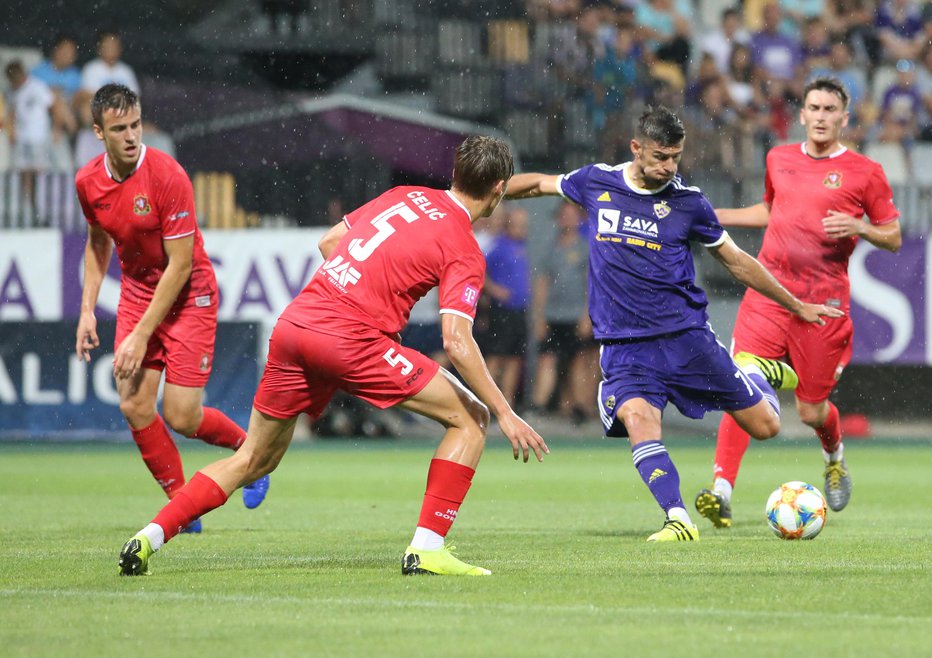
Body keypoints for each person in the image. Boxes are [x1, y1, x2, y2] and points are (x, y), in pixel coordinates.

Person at [117, 135, 549, 577]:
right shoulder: (463, 247)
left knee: (252, 460)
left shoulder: (407, 195)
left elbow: (330, 242)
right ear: (499, 190)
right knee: (473, 418)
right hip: (351, 339)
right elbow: (457, 340)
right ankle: (427, 549)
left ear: (454, 173)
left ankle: (148, 537)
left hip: (296, 326)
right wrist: (506, 412)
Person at [504, 105, 842, 541]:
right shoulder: (597, 181)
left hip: (686, 339)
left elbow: (737, 263)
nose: (668, 166)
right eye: (660, 156)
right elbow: (539, 183)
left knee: (766, 427)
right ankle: (677, 517)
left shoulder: (688, 203)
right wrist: (481, 194)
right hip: (625, 347)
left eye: (675, 157)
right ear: (636, 148)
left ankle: (754, 371)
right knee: (638, 417)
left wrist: (796, 305)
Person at [695, 77, 902, 527]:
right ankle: (721, 493)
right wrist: (710, 217)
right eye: (815, 108)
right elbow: (770, 210)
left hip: (824, 305)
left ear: (844, 119)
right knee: (740, 386)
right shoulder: (779, 158)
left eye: (831, 109)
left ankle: (834, 457)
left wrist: (861, 227)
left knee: (811, 409)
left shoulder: (865, 172)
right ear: (802, 114)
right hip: (770, 294)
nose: (822, 116)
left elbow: (893, 235)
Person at [75, 84, 270, 532]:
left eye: (136, 125)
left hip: (188, 296)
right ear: (98, 133)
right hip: (140, 293)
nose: (131, 136)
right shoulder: (87, 181)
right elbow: (97, 242)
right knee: (135, 405)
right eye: (119, 128)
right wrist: (88, 309)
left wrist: (141, 334)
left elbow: (180, 265)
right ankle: (182, 505)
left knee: (182, 416)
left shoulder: (167, 176)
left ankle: (253, 454)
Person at [528, 201, 597, 424]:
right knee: (547, 360)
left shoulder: (585, 248)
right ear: (558, 219)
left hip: (576, 316)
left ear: (579, 219)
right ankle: (538, 407)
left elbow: (592, 285)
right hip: (552, 316)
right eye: (564, 215)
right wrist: (539, 317)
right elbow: (542, 284)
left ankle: (580, 410)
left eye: (572, 215)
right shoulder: (551, 248)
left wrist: (587, 315)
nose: (568, 219)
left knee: (578, 362)